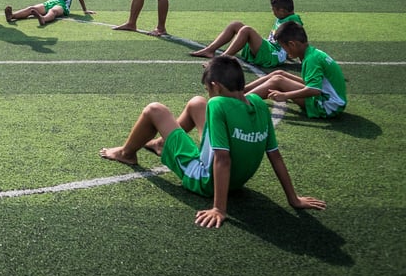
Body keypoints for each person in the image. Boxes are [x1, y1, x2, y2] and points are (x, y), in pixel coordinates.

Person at [99, 55, 326, 228]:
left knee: (154, 110)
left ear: (216, 86)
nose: (208, 92)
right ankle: (160, 144)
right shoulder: (257, 102)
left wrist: (219, 208)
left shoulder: (217, 105)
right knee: (198, 103)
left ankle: (126, 153)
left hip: (205, 180)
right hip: (237, 181)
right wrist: (293, 199)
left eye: (208, 88)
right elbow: (274, 154)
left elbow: (223, 159)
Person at [243, 22, 347, 118]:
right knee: (279, 73)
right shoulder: (313, 53)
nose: (285, 52)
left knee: (278, 81)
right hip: (328, 98)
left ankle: (240, 103)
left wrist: (285, 95)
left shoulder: (311, 60)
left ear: (292, 44)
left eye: (284, 47)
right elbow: (314, 85)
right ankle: (241, 91)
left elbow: (314, 90)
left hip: (328, 106)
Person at [190, 0, 302, 68]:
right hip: (269, 48)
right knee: (236, 24)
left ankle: (221, 62)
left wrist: (297, 58)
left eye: (274, 10)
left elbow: (298, 43)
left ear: (282, 10)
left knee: (246, 30)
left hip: (273, 55)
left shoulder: (293, 21)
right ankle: (210, 50)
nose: (273, 12)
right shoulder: (284, 17)